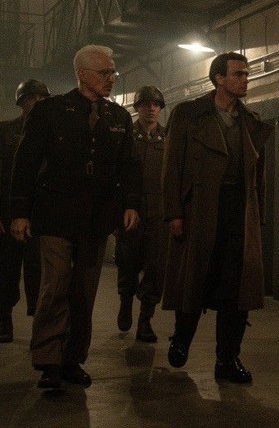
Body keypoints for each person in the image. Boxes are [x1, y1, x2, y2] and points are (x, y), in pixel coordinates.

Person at [10, 45, 141, 389]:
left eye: (113, 73)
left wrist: (131, 203)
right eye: (104, 73)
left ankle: (72, 359)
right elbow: (26, 162)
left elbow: (129, 165)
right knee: (55, 286)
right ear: (82, 74)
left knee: (84, 291)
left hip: (96, 218)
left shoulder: (118, 117)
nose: (111, 79)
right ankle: (49, 360)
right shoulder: (51, 111)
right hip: (55, 214)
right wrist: (19, 212)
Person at [161, 52, 273, 384]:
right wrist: (174, 212)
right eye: (238, 74)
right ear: (218, 79)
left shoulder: (250, 120)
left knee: (237, 289)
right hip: (200, 209)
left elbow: (257, 175)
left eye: (246, 74)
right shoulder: (189, 114)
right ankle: (182, 339)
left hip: (239, 212)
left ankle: (227, 359)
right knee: (195, 278)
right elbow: (172, 167)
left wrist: (258, 214)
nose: (245, 79)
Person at [115, 85, 167, 342]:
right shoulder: (126, 138)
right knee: (127, 265)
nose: (151, 109)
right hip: (130, 213)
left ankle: (145, 320)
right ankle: (126, 302)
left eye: (156, 105)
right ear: (137, 108)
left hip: (158, 214)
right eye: (146, 105)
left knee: (155, 269)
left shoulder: (167, 139)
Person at [0, 79, 50, 342]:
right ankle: (3, 319)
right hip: (7, 213)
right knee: (6, 271)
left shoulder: (53, 134)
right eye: (33, 98)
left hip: (40, 215)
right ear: (22, 102)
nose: (38, 103)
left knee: (39, 274)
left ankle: (38, 325)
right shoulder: (5, 131)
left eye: (42, 99)